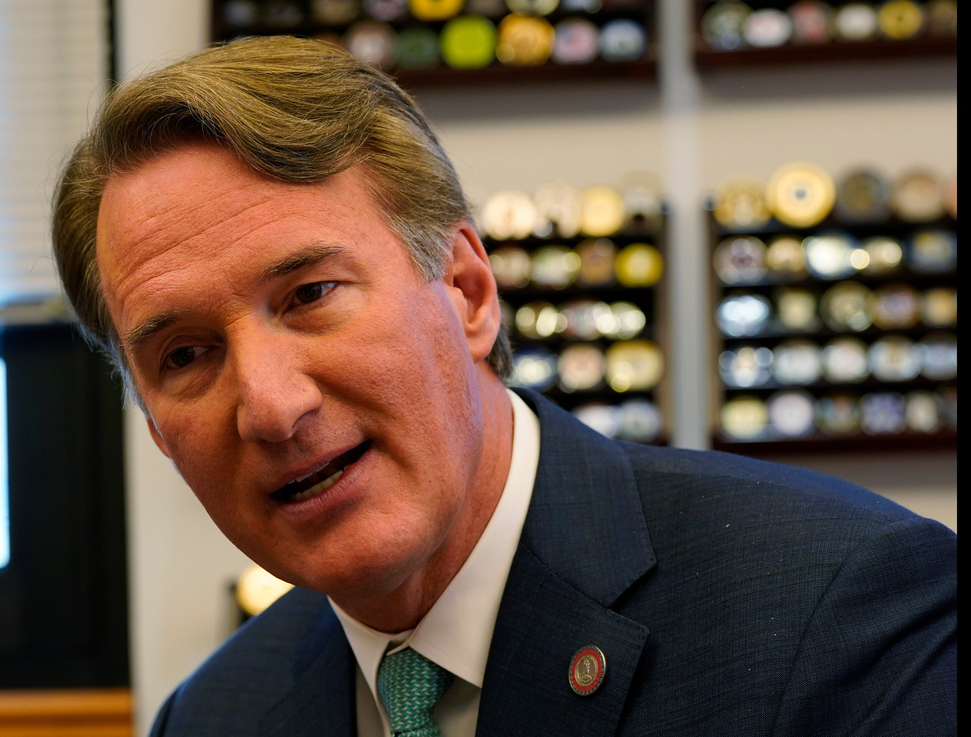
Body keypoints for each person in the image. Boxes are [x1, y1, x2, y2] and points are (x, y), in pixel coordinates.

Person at [51, 35, 956, 737]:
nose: (274, 406)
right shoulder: (214, 717)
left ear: (468, 292)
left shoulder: (838, 614)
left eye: (311, 295)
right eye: (184, 356)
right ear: (156, 428)